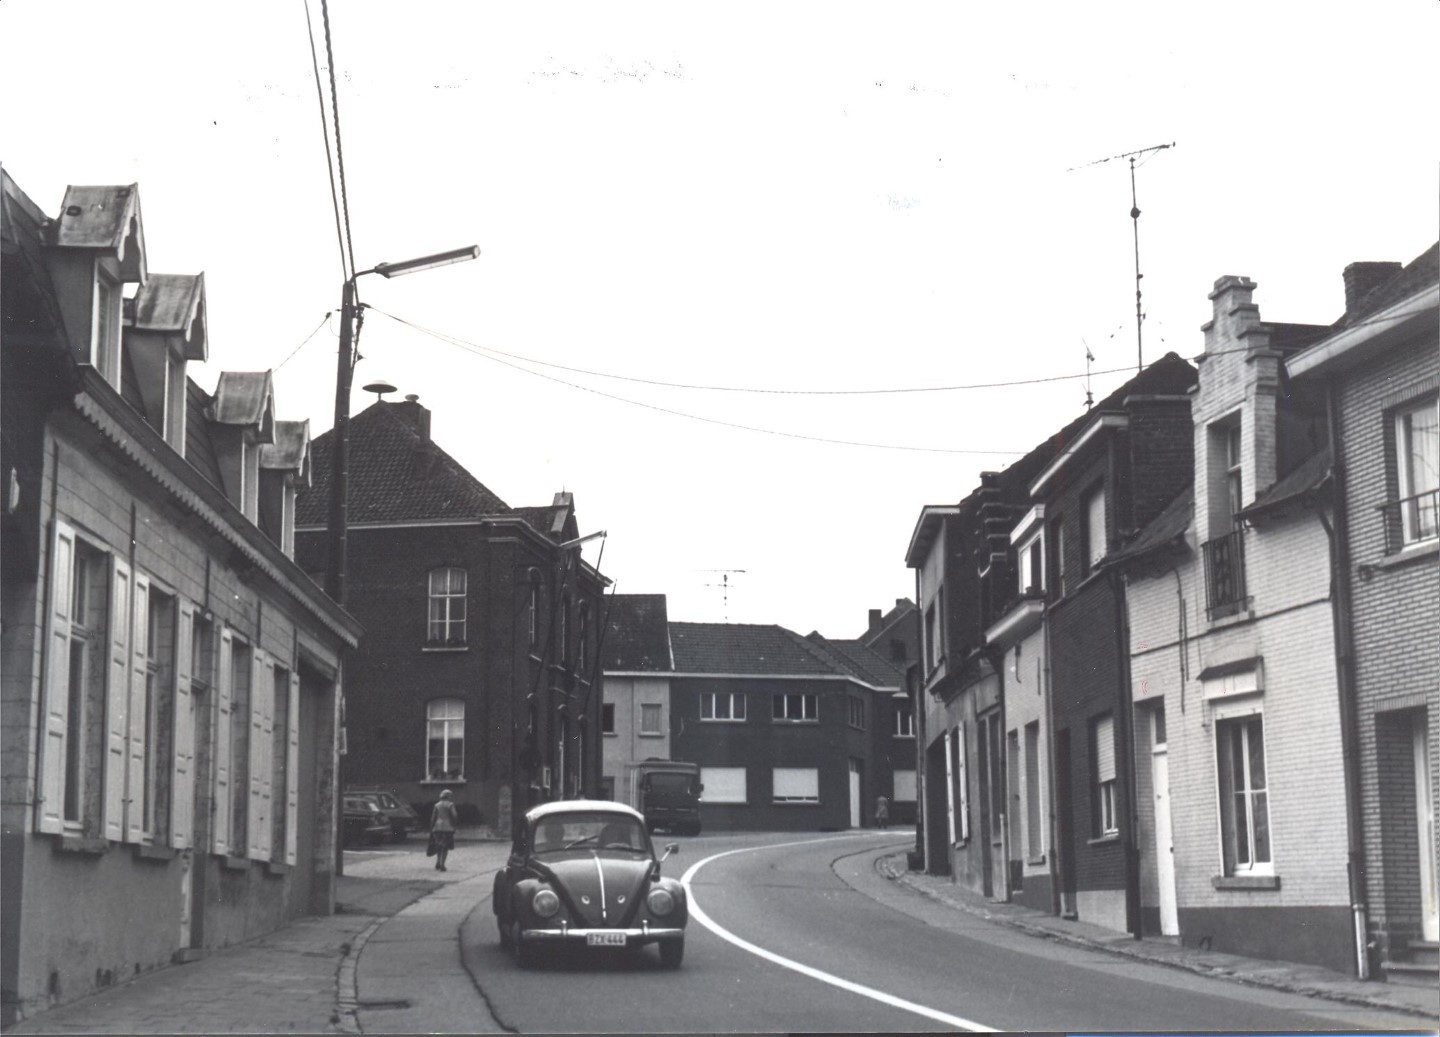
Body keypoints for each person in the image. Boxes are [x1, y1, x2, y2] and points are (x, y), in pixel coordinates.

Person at [430, 789, 458, 871]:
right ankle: (442, 864)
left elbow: (433, 817)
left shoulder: (437, 805)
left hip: (437, 827)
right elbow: (455, 815)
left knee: (438, 845)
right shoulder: (450, 804)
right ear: (448, 796)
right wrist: (454, 824)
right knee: (445, 846)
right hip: (447, 827)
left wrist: (431, 827)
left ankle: (438, 861)